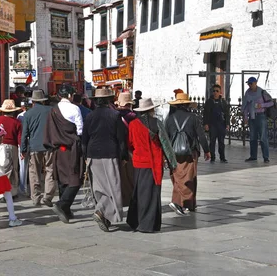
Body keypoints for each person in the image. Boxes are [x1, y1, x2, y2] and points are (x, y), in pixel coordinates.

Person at [127, 98, 177, 233]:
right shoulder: (157, 123)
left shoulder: (132, 124)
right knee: (151, 194)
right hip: (152, 163)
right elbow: (165, 144)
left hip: (138, 163)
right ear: (151, 110)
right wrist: (172, 163)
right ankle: (147, 224)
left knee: (139, 192)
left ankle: (135, 222)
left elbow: (130, 144)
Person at [81, 88, 128, 232]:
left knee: (99, 186)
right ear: (108, 100)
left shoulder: (90, 116)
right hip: (110, 153)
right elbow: (121, 138)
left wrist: (85, 156)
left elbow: (84, 139)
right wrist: (124, 155)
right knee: (113, 186)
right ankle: (101, 211)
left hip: (92, 153)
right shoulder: (115, 115)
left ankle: (105, 215)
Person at [44, 85, 84, 223]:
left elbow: (48, 131)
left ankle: (66, 210)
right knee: (75, 179)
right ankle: (62, 205)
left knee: (62, 179)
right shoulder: (74, 108)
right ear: (69, 96)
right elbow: (79, 130)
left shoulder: (53, 111)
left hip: (57, 150)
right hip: (71, 149)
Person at [166, 93, 210, 215]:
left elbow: (165, 136)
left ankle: (189, 203)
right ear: (187, 104)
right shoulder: (193, 118)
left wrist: (165, 154)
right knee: (189, 177)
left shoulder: (169, 118)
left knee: (177, 176)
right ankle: (181, 203)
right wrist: (207, 150)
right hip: (190, 152)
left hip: (173, 152)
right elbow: (201, 135)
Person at [21, 90, 55, 207]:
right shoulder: (50, 111)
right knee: (50, 170)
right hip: (49, 145)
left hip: (34, 146)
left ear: (33, 102)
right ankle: (48, 196)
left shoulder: (28, 114)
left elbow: (25, 134)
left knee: (34, 172)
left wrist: (23, 149)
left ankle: (35, 197)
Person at [242, 77, 274, 163]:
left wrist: (262, 105)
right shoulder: (247, 93)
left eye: (251, 83)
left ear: (255, 83)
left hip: (261, 116)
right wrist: (245, 117)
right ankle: (253, 156)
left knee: (263, 137)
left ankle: (266, 157)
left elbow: (271, 102)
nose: (249, 85)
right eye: (248, 84)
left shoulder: (262, 92)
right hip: (252, 117)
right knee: (252, 137)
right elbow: (246, 106)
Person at [0, 99, 22, 198]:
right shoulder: (17, 122)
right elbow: (19, 137)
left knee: (1, 168)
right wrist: (22, 149)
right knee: (13, 169)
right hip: (12, 146)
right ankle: (11, 192)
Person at [203, 84, 230, 163]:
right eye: (214, 91)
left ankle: (222, 157)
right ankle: (212, 157)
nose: (215, 92)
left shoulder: (223, 102)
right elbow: (205, 114)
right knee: (212, 142)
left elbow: (227, 114)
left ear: (220, 92)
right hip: (212, 125)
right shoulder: (209, 102)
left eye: (217, 91)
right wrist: (206, 124)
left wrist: (227, 124)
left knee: (221, 142)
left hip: (221, 124)